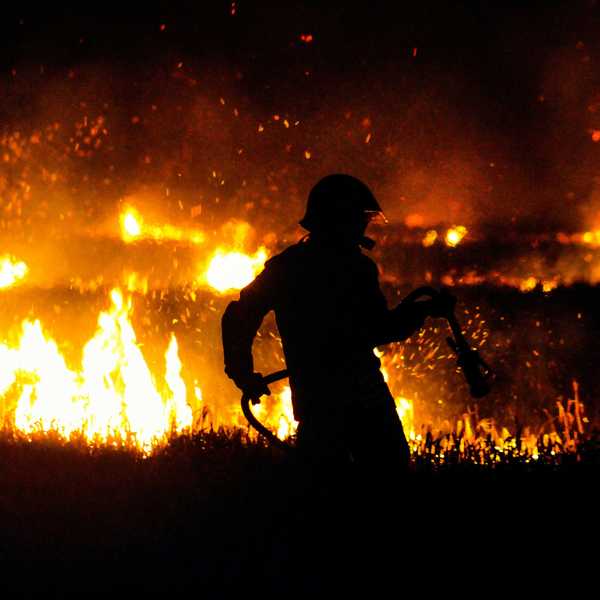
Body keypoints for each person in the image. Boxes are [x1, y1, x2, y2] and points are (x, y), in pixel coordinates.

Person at [221, 174, 455, 480]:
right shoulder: (355, 269)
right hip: (362, 401)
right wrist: (423, 311)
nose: (363, 227)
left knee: (324, 492)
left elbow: (239, 315)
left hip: (318, 402)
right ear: (339, 219)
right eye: (359, 219)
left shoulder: (289, 267)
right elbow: (379, 330)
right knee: (386, 481)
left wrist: (243, 373)